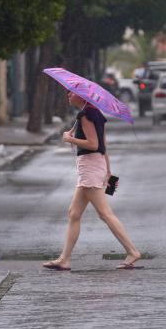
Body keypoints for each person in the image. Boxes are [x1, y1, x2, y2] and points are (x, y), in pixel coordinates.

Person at [42, 91, 142, 271]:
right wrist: (109, 170)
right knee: (74, 213)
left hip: (90, 167)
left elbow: (94, 144)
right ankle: (65, 259)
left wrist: (69, 139)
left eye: (72, 93)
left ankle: (133, 251)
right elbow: (103, 146)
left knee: (105, 213)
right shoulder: (95, 113)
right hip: (94, 165)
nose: (69, 95)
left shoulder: (86, 115)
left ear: (82, 96)